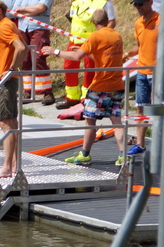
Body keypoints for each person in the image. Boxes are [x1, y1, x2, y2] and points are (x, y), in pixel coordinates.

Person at [42, 9, 126, 166]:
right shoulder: (117, 35)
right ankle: (123, 155)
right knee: (116, 121)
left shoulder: (95, 36)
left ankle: (85, 154)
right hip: (117, 84)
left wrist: (55, 51)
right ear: (108, 21)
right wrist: (87, 53)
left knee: (90, 120)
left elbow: (75, 57)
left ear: (93, 23)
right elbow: (104, 58)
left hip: (100, 86)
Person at [57, 0, 116, 110]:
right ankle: (72, 97)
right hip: (74, 37)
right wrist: (71, 0)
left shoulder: (104, 1)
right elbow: (75, 9)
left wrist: (103, 35)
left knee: (89, 69)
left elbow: (112, 21)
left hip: (91, 40)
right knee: (69, 66)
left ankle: (86, 99)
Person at [0, 0, 29, 178]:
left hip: (5, 81)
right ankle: (14, 165)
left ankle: (6, 167)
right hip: (6, 79)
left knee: (5, 123)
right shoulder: (8, 25)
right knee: (11, 122)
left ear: (0, 11)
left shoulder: (4, 27)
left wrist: (10, 70)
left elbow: (20, 48)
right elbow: (23, 47)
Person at [12, 0, 55, 105]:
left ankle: (46, 92)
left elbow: (40, 8)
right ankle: (28, 90)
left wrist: (25, 10)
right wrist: (30, 11)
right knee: (25, 59)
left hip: (39, 29)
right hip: (23, 28)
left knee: (39, 58)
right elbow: (15, 10)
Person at [124, 0, 160, 155]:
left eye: (141, 4)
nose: (138, 7)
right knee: (140, 108)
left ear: (150, 2)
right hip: (142, 71)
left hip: (158, 71)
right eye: (136, 5)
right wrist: (127, 54)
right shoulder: (138, 23)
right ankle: (140, 144)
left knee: (160, 108)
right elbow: (139, 46)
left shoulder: (160, 21)